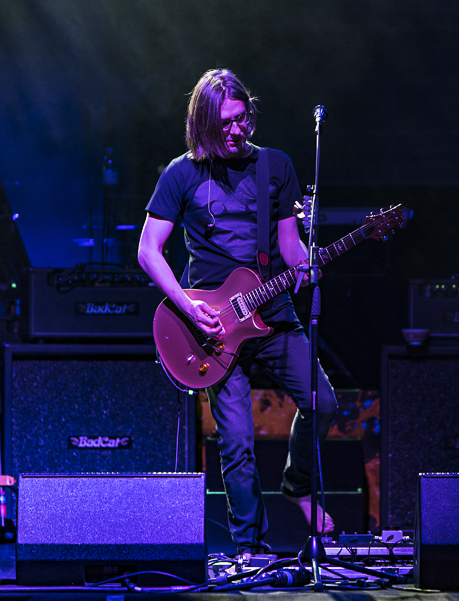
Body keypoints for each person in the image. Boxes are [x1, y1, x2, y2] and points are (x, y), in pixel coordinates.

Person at [137, 68, 338, 556]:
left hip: (272, 313)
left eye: (241, 118)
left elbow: (290, 245)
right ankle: (250, 549)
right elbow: (148, 250)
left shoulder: (275, 165)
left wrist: (306, 263)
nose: (235, 130)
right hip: (212, 327)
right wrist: (187, 307)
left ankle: (298, 486)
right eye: (224, 122)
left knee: (323, 403)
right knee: (237, 443)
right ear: (203, 123)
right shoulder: (181, 173)